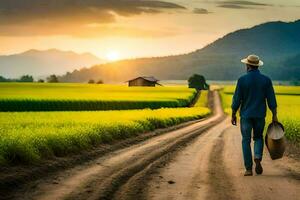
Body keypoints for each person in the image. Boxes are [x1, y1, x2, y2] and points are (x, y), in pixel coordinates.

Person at [231, 54, 277, 176]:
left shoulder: (242, 80)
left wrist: (233, 113)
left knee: (245, 140)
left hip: (246, 115)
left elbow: (237, 99)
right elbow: (271, 99)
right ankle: (257, 156)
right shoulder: (266, 80)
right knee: (258, 137)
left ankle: (248, 169)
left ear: (247, 65)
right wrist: (274, 115)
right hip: (260, 115)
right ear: (257, 66)